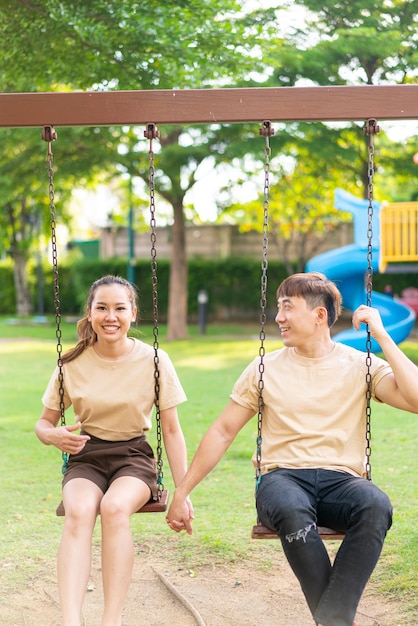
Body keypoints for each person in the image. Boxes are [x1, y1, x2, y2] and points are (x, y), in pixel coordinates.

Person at [166, 271, 418, 626]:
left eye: (287, 307)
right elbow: (223, 431)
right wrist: (183, 490)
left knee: (376, 504)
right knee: (289, 507)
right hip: (282, 479)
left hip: (342, 481)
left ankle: (332, 619)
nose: (278, 317)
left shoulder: (359, 364)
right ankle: (338, 620)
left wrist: (382, 337)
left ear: (319, 316)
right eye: (278, 307)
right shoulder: (264, 368)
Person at [36, 275, 192, 626]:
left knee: (114, 508)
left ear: (133, 314)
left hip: (133, 458)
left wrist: (181, 492)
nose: (111, 316)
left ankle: (111, 620)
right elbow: (42, 424)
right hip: (86, 456)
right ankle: (71, 620)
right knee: (78, 511)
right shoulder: (71, 363)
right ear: (90, 314)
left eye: (119, 308)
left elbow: (171, 429)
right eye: (102, 308)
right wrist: (54, 436)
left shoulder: (154, 360)